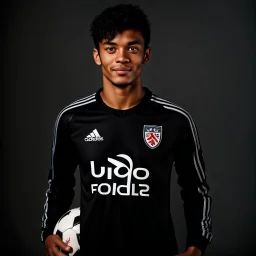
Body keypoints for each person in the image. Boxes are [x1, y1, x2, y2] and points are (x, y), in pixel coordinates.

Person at [41, 4, 213, 256]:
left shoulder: (175, 120)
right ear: (97, 55)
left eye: (132, 48)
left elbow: (196, 189)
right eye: (111, 48)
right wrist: (48, 233)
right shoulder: (72, 118)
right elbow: (58, 185)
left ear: (146, 54)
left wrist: (197, 246)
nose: (121, 57)